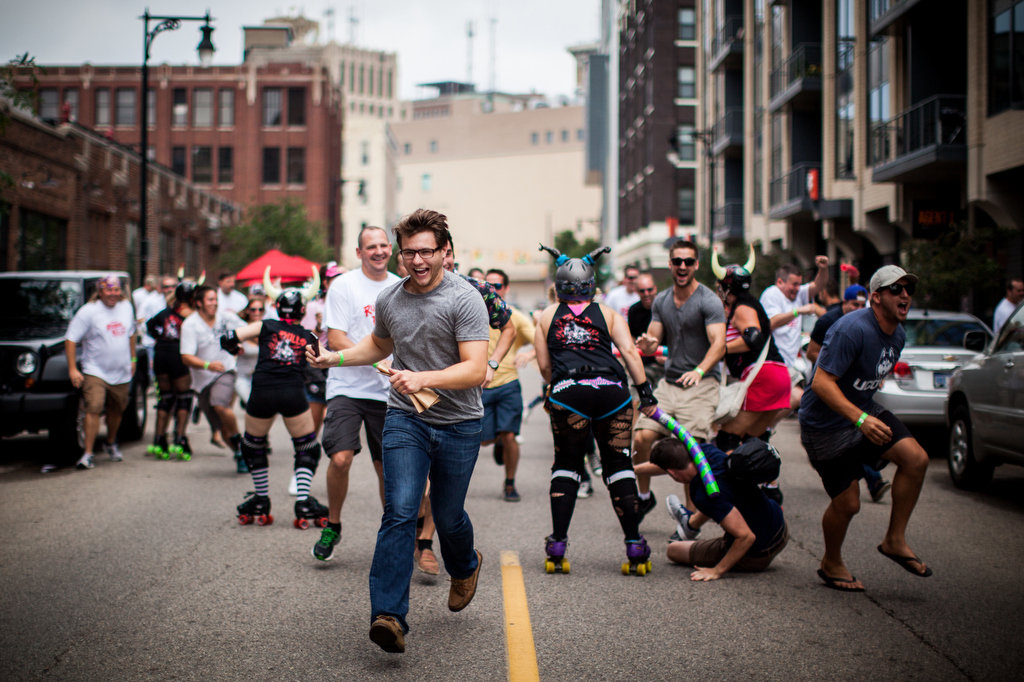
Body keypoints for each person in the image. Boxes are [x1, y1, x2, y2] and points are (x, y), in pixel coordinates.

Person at [306, 209, 489, 654]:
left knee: (447, 517)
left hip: (459, 422)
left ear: (445, 252)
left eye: (427, 251)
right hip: (406, 417)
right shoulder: (390, 299)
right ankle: (388, 615)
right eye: (410, 252)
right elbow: (378, 345)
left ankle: (465, 564)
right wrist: (335, 358)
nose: (418, 261)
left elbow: (476, 369)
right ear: (400, 254)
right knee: (400, 510)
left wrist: (424, 378)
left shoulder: (464, 299)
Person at [799, 265, 932, 592]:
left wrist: (863, 417)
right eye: (895, 289)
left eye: (908, 290)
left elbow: (866, 382)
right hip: (824, 425)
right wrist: (859, 419)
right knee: (848, 504)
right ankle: (831, 562)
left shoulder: (898, 334)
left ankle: (894, 539)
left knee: (916, 459)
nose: (904, 295)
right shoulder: (851, 330)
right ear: (875, 297)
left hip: (860, 411)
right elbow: (820, 382)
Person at [533, 243, 659, 574]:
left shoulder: (546, 316)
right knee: (618, 465)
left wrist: (559, 382)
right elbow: (631, 354)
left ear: (560, 286)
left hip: (567, 394)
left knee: (567, 465)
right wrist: (646, 395)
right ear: (592, 286)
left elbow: (545, 368)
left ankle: (558, 543)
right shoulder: (608, 313)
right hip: (611, 395)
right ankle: (634, 544)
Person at [311, 226, 401, 562]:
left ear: (390, 249)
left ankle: (391, 533)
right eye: (370, 247)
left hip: (386, 392)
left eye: (382, 246)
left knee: (385, 468)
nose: (377, 251)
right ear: (359, 252)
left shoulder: (399, 287)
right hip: (347, 385)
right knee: (341, 458)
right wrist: (376, 358)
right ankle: (333, 523)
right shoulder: (343, 285)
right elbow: (335, 338)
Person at [220, 268, 327, 528]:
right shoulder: (307, 335)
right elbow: (324, 360)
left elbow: (228, 338)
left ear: (278, 308)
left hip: (262, 392)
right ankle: (302, 501)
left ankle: (260, 498)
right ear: (302, 310)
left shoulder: (265, 325)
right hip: (292, 393)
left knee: (253, 445)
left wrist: (234, 348)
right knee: (307, 447)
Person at [633, 240, 726, 518]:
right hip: (670, 383)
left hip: (701, 384)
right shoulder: (661, 300)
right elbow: (653, 340)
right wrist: (647, 344)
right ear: (670, 264)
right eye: (677, 261)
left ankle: (690, 517)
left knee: (690, 454)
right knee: (642, 439)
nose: (682, 266)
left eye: (688, 261)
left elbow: (719, 344)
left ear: (696, 265)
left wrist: (699, 370)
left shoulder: (708, 300)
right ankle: (644, 495)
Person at [639, 436, 789, 580]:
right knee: (723, 502)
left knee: (674, 550)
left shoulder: (706, 494)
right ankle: (689, 525)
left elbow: (746, 537)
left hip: (758, 553)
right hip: (779, 526)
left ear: (672, 473)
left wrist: (716, 571)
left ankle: (692, 528)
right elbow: (665, 465)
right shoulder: (705, 452)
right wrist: (630, 470)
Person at [710, 249, 791, 504]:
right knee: (753, 440)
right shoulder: (746, 304)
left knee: (728, 439)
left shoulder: (742, 307)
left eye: (719, 286)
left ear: (725, 287)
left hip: (763, 375)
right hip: (777, 375)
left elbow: (753, 337)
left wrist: (720, 349)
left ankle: (735, 496)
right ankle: (769, 489)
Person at [805, 282, 890, 503]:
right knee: (838, 446)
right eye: (854, 304)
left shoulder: (868, 324)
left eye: (862, 304)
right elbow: (811, 352)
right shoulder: (828, 320)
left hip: (855, 392)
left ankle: (874, 481)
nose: (858, 308)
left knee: (859, 433)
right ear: (844, 303)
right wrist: (835, 367)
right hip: (827, 391)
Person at [57, 275, 136, 472]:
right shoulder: (88, 312)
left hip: (121, 371)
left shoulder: (126, 307)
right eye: (108, 290)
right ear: (100, 291)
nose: (113, 294)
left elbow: (132, 333)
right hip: (95, 371)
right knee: (93, 407)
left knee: (117, 410)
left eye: (116, 290)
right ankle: (88, 453)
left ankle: (110, 442)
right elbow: (71, 339)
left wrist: (133, 359)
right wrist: (73, 369)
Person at [482, 268, 535, 502]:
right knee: (482, 439)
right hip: (480, 386)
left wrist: (531, 354)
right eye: (489, 286)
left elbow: (542, 341)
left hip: (508, 384)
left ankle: (510, 483)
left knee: (511, 435)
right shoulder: (474, 311)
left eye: (499, 286)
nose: (494, 290)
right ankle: (498, 440)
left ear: (506, 288)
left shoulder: (516, 316)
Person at [180, 285, 245, 472]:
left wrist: (237, 344)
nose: (214, 303)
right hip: (202, 381)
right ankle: (238, 449)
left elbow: (245, 330)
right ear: (198, 303)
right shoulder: (190, 325)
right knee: (221, 430)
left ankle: (242, 447)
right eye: (210, 300)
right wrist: (208, 365)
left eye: (215, 299)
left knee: (220, 404)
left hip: (225, 370)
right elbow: (185, 356)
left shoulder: (226, 318)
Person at [759, 258, 829, 410]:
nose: (797, 289)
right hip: (773, 362)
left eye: (799, 284)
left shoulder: (797, 294)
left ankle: (764, 429)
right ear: (780, 282)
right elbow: (770, 323)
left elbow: (818, 285)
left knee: (784, 403)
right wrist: (798, 311)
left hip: (787, 364)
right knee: (800, 398)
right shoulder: (772, 294)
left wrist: (823, 269)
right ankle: (765, 427)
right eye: (794, 284)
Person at [145, 279, 196, 460]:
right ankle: (179, 439)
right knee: (183, 398)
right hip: (178, 355)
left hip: (161, 353)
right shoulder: (191, 315)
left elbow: (149, 325)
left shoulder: (166, 312)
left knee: (165, 398)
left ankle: (159, 440)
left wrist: (160, 336)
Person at [627, 272, 665, 387]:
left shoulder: (666, 307)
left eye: (649, 290)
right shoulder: (634, 310)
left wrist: (667, 355)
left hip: (665, 363)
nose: (646, 294)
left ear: (655, 289)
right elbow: (632, 336)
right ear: (637, 292)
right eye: (642, 291)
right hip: (644, 364)